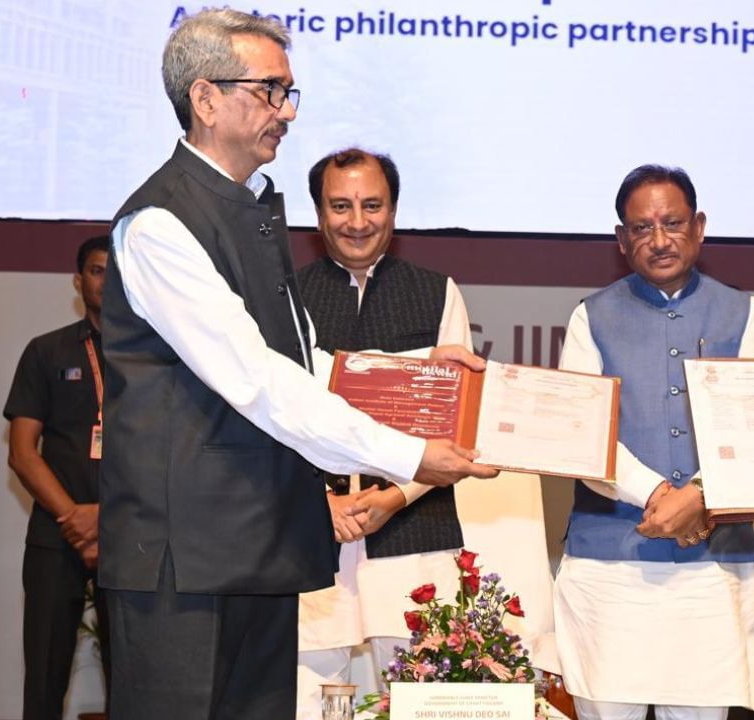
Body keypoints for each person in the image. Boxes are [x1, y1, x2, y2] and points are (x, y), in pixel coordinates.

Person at [99, 10, 496, 720]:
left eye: (288, 93)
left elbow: (309, 362)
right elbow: (258, 380)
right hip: (181, 561)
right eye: (270, 90)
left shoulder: (248, 210)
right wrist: (411, 455)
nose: (286, 111)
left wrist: (422, 375)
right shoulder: (160, 223)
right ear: (205, 99)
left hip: (256, 545)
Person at [553, 164, 754, 720]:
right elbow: (581, 436)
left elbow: (752, 432)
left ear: (699, 227)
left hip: (713, 567)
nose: (659, 239)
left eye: (672, 223)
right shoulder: (590, 317)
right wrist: (657, 494)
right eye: (641, 228)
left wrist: (698, 495)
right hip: (609, 566)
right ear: (621, 240)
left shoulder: (744, 313)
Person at [293, 148, 475, 717]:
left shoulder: (437, 291)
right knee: (309, 702)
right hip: (311, 531)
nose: (357, 221)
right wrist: (317, 502)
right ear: (318, 213)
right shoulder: (284, 297)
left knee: (419, 702)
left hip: (415, 532)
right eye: (340, 206)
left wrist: (394, 497)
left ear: (393, 211)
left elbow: (454, 431)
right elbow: (272, 417)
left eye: (372, 205)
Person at [4, 235, 112, 720]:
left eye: (117, 272)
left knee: (134, 682)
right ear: (77, 280)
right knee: (44, 681)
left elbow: (168, 456)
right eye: (96, 270)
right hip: (56, 534)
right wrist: (75, 519)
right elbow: (22, 453)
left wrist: (104, 519)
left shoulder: (152, 359)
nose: (106, 281)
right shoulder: (46, 351)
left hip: (128, 533)